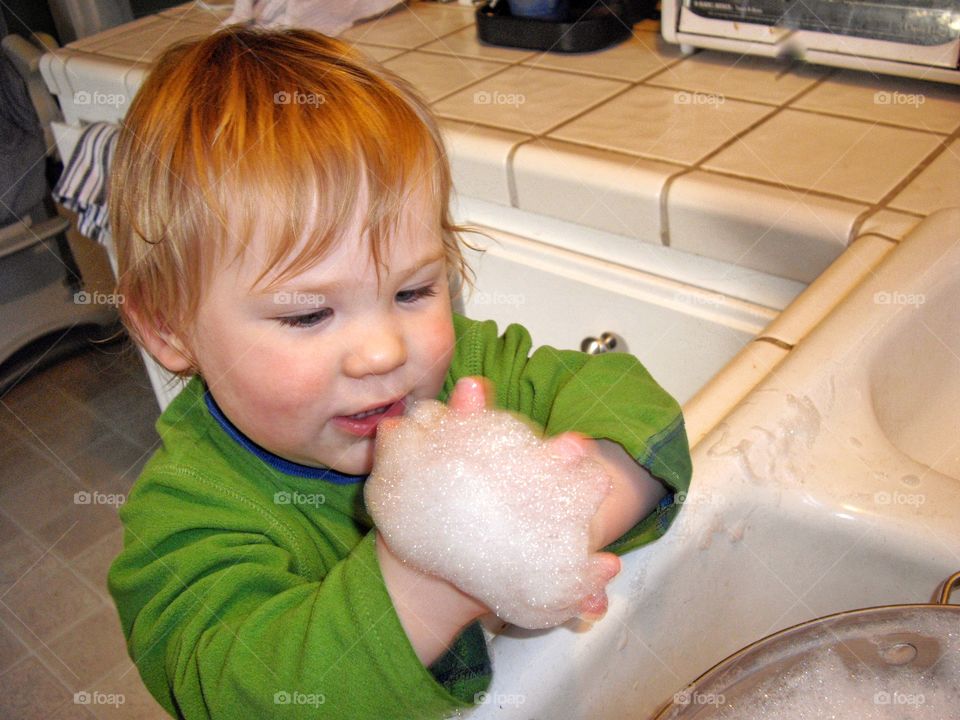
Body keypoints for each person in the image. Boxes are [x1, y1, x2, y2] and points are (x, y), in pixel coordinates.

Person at [107, 26, 691, 720]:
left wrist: (572, 516)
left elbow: (630, 400)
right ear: (169, 327)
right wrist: (432, 586)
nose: (384, 352)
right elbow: (242, 690)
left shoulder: (465, 372)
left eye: (413, 292)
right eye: (307, 315)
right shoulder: (187, 518)